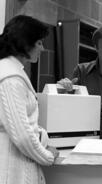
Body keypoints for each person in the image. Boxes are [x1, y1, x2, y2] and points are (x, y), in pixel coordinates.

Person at [0, 15, 59, 184]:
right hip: (11, 171)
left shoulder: (12, 71)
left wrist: (42, 138)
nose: (43, 48)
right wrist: (47, 156)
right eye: (39, 42)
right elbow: (22, 135)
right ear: (25, 43)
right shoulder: (10, 77)